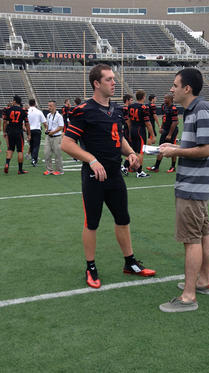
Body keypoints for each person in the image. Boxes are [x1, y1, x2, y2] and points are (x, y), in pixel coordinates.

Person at [61, 64, 156, 289]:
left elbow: (119, 138)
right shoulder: (84, 109)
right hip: (95, 176)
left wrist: (131, 153)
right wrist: (91, 159)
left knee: (123, 218)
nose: (114, 82)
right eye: (109, 79)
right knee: (92, 222)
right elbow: (66, 143)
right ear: (97, 83)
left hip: (115, 174)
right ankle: (91, 266)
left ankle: (130, 262)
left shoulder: (116, 109)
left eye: (114, 79)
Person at [158, 68, 209, 313]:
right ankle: (202, 281)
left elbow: (208, 149)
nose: (171, 89)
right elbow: (197, 144)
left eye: (175, 85)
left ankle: (188, 296)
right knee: (203, 234)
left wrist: (176, 152)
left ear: (187, 88)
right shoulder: (194, 111)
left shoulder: (201, 110)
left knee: (191, 239)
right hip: (196, 185)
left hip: (193, 186)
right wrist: (174, 146)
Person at [146, 94, 179, 173]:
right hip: (165, 129)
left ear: (170, 99)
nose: (164, 99)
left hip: (172, 130)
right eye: (164, 98)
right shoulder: (164, 106)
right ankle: (156, 167)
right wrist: (161, 127)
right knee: (160, 147)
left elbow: (175, 122)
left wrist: (170, 134)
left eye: (166, 98)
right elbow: (164, 117)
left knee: (173, 149)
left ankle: (173, 166)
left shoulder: (173, 108)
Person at [128, 90, 156, 178]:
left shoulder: (131, 106)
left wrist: (129, 131)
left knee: (133, 150)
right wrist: (152, 135)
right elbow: (148, 123)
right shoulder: (144, 107)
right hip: (140, 130)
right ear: (143, 97)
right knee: (140, 151)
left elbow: (128, 120)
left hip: (133, 128)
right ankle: (139, 172)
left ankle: (128, 167)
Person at [3, 95, 30, 175]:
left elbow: (4, 122)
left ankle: (7, 163)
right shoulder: (23, 110)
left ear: (14, 101)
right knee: (20, 150)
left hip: (10, 132)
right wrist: (29, 134)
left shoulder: (7, 109)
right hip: (19, 132)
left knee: (10, 149)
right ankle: (20, 170)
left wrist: (4, 132)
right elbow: (27, 124)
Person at [43, 100, 64, 175]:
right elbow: (48, 125)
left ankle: (59, 170)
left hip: (56, 137)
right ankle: (49, 170)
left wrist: (53, 132)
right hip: (49, 137)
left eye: (50, 106)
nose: (49, 107)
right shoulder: (48, 115)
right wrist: (47, 129)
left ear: (55, 107)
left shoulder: (59, 116)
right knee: (46, 153)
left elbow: (61, 126)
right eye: (48, 106)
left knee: (57, 154)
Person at [27, 98, 47, 166]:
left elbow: (24, 122)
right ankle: (34, 159)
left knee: (31, 145)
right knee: (36, 145)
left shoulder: (27, 111)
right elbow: (44, 122)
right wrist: (46, 129)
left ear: (29, 104)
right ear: (35, 103)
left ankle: (33, 158)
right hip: (37, 130)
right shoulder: (39, 112)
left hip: (29, 130)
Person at [121, 94, 133, 176]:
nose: (132, 101)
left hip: (123, 129)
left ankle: (126, 166)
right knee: (129, 149)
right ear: (127, 100)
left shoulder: (123, 108)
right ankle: (124, 166)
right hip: (126, 130)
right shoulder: (126, 108)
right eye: (131, 100)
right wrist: (130, 132)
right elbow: (128, 122)